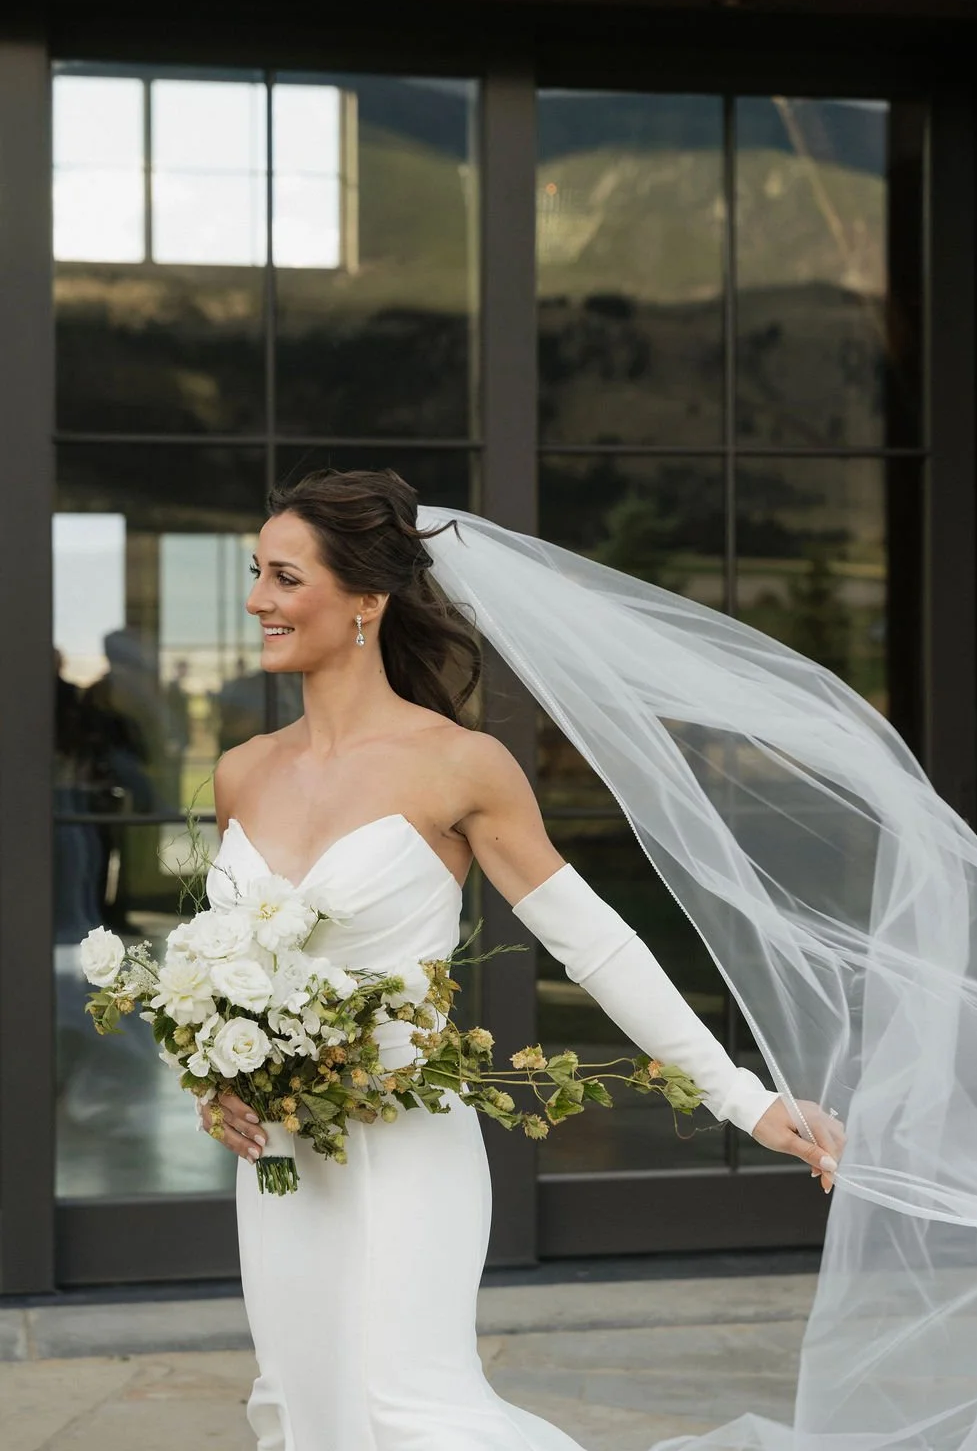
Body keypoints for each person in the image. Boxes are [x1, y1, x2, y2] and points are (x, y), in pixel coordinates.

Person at [200, 468, 843, 1451]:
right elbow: (224, 971)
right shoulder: (241, 771)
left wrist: (742, 1099)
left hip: (409, 1144)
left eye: (285, 578)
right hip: (282, 1157)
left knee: (410, 1411)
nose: (258, 600)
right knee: (301, 1408)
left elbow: (595, 945)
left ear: (366, 599)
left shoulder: (459, 765)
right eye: (256, 573)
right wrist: (216, 1080)